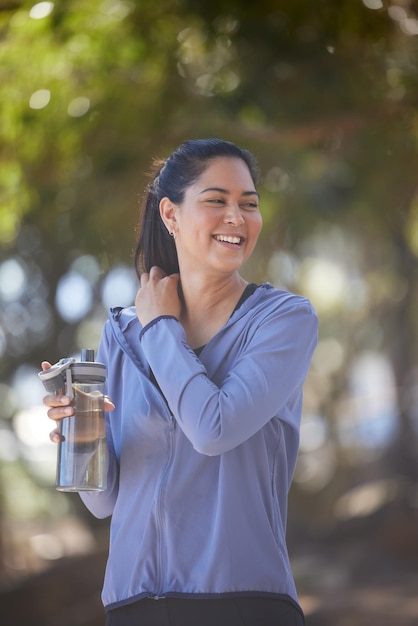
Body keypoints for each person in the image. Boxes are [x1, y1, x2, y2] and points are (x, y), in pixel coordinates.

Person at [42, 138, 318, 626]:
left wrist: (160, 328)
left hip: (242, 600)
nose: (237, 217)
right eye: (217, 201)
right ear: (170, 215)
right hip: (132, 604)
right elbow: (104, 502)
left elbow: (213, 429)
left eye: (248, 204)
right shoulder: (122, 334)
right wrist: (80, 431)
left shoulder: (282, 320)